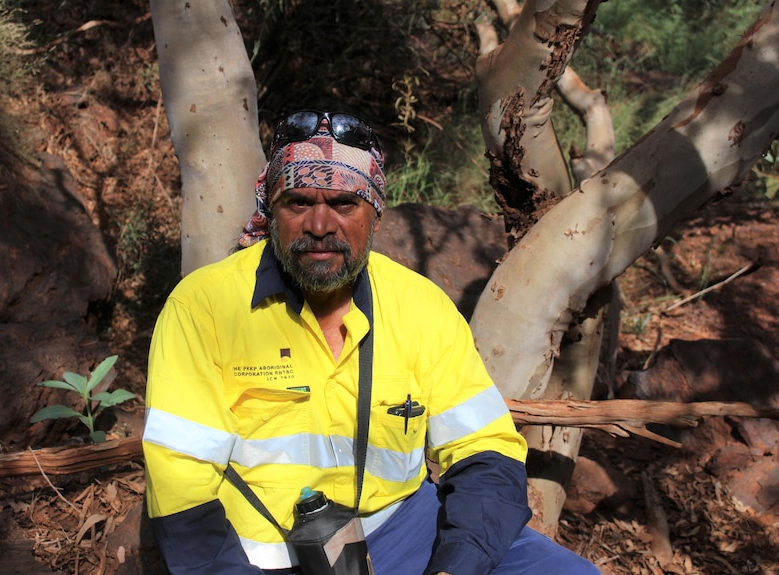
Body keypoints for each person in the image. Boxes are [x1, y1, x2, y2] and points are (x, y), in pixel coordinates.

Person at [142, 110, 600, 575]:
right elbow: (182, 487)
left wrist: (454, 567)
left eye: (344, 203)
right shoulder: (204, 307)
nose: (320, 225)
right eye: (298, 202)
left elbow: (486, 450)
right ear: (270, 210)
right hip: (264, 556)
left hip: (403, 527)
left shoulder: (420, 306)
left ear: (375, 212)